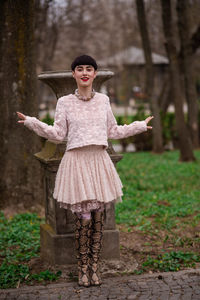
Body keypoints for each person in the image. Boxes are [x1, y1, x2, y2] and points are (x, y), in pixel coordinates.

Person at [16, 55, 153, 287]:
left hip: (99, 162)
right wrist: (32, 122)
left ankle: (95, 267)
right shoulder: (65, 103)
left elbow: (113, 130)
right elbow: (58, 134)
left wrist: (139, 126)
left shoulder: (104, 101)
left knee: (99, 217)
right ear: (74, 74)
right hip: (76, 163)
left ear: (95, 74)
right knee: (84, 220)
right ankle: (82, 269)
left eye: (89, 68)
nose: (84, 72)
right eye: (79, 69)